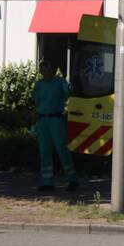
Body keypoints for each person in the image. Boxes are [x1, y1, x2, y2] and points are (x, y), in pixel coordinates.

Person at [32, 61, 78, 192]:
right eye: (43, 70)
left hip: (56, 119)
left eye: (48, 69)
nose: (46, 72)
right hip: (43, 120)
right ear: (41, 72)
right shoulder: (39, 84)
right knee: (44, 151)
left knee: (62, 149)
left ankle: (73, 179)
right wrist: (34, 121)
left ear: (52, 70)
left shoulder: (60, 82)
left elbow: (69, 92)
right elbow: (36, 103)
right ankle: (47, 182)